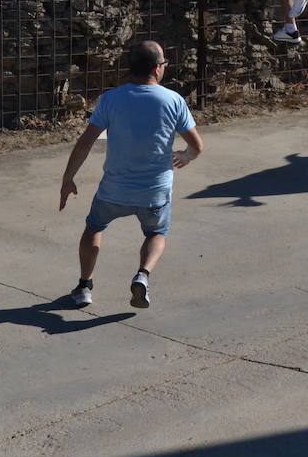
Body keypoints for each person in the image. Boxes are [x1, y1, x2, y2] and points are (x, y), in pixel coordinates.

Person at [58, 41, 204, 309]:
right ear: (157, 69)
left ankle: (84, 287)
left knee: (94, 228)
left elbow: (86, 141)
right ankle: (143, 275)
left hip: (114, 190)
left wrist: (68, 178)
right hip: (154, 192)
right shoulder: (174, 101)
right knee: (156, 233)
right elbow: (197, 146)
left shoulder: (111, 99)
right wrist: (186, 156)